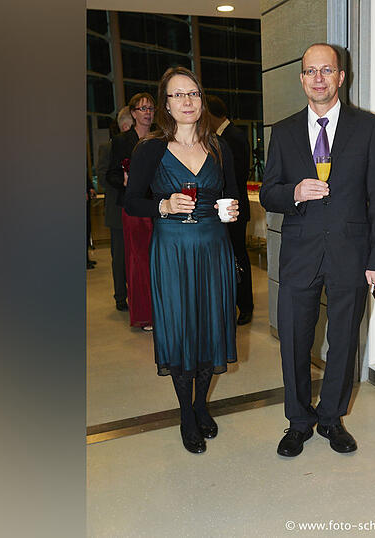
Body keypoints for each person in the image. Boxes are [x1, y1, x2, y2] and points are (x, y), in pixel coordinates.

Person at [260, 43, 375, 457]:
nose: (318, 78)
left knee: (343, 341)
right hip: (299, 254)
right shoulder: (282, 132)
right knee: (294, 341)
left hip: (351, 255)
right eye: (310, 71)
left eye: (326, 70)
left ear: (340, 77)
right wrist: (294, 192)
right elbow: (268, 193)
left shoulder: (368, 128)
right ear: (302, 79)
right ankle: (298, 422)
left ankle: (331, 419)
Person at [123, 67, 240, 454]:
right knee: (178, 327)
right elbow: (131, 200)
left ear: (201, 100)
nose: (187, 101)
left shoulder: (219, 148)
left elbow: (232, 195)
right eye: (177, 95)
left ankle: (200, 404)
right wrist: (163, 204)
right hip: (172, 249)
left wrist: (233, 211)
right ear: (166, 105)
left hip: (213, 247)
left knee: (210, 326)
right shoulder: (150, 149)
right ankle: (186, 415)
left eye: (193, 93)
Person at [108, 94, 156, 331]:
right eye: (142, 108)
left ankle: (162, 310)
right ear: (133, 113)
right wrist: (126, 182)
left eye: (151, 108)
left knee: (158, 260)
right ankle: (145, 315)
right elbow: (111, 175)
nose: (147, 112)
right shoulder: (121, 140)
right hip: (135, 208)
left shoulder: (162, 138)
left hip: (160, 207)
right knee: (139, 262)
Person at [206, 95, 254, 325]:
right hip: (225, 208)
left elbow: (236, 175)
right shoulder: (222, 137)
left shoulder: (231, 137)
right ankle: (236, 302)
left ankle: (245, 305)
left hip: (233, 207)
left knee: (238, 256)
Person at [96, 106, 134, 310]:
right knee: (119, 256)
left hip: (136, 210)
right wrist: (121, 181)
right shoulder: (108, 148)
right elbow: (102, 178)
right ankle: (120, 296)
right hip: (117, 211)